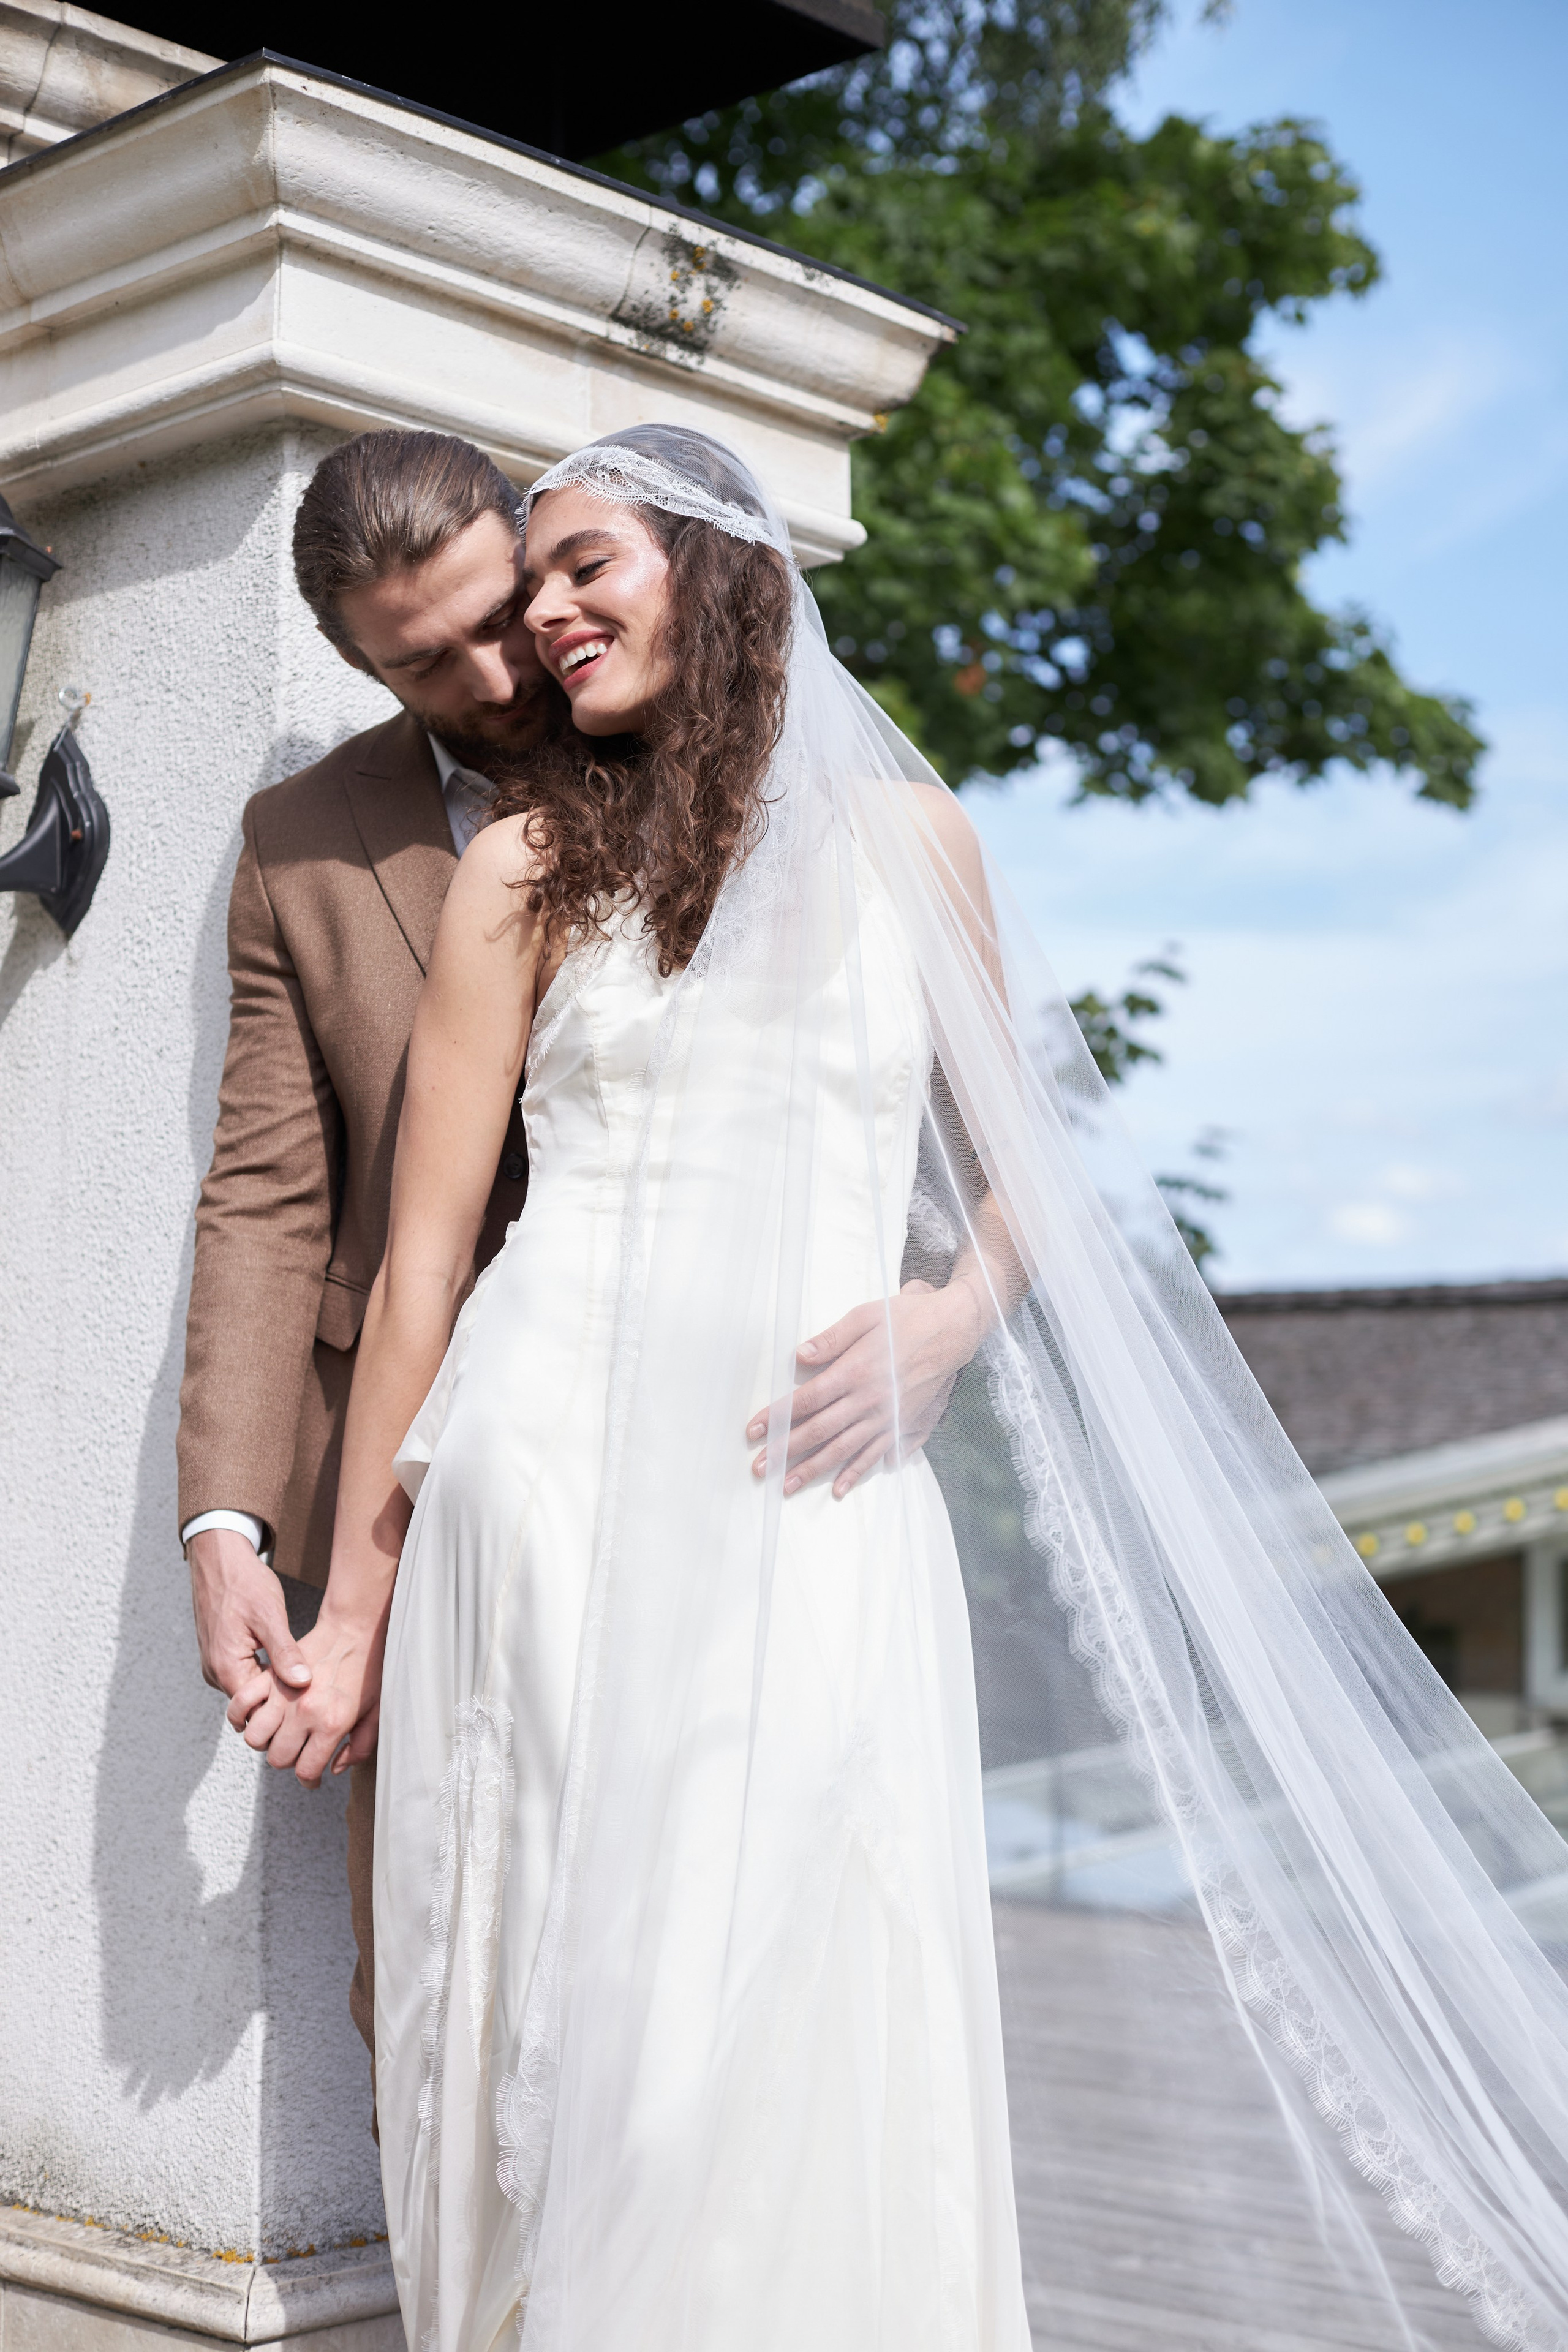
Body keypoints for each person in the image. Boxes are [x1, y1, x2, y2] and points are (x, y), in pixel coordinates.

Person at [252, 427, 1568, 2352]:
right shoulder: (520, 869)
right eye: (534, 587)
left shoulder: (915, 843)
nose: (548, 616)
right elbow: (426, 1262)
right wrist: (356, 1607)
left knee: (800, 1973)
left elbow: (1036, 1174)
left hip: (813, 1491)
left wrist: (949, 1321)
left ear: (717, 564)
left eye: (585, 565)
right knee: (562, 2004)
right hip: (540, 1499)